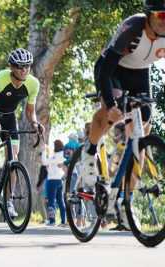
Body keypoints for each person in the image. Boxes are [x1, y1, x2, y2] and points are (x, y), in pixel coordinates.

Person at [80, 0, 165, 215]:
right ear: (149, 15)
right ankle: (89, 153)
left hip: (139, 74)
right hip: (113, 70)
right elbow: (105, 71)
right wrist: (110, 105)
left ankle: (125, 203)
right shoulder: (134, 26)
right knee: (113, 111)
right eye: (162, 16)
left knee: (142, 131)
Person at [0, 48, 43, 217]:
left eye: (27, 66)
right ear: (12, 67)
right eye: (20, 66)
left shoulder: (33, 83)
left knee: (13, 157)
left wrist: (35, 123)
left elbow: (30, 111)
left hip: (9, 117)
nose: (24, 70)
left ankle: (9, 200)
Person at [40, 140, 66, 226]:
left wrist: (44, 150)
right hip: (60, 180)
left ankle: (52, 221)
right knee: (60, 201)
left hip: (52, 180)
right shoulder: (63, 155)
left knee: (51, 201)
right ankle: (63, 220)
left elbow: (44, 162)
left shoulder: (55, 156)